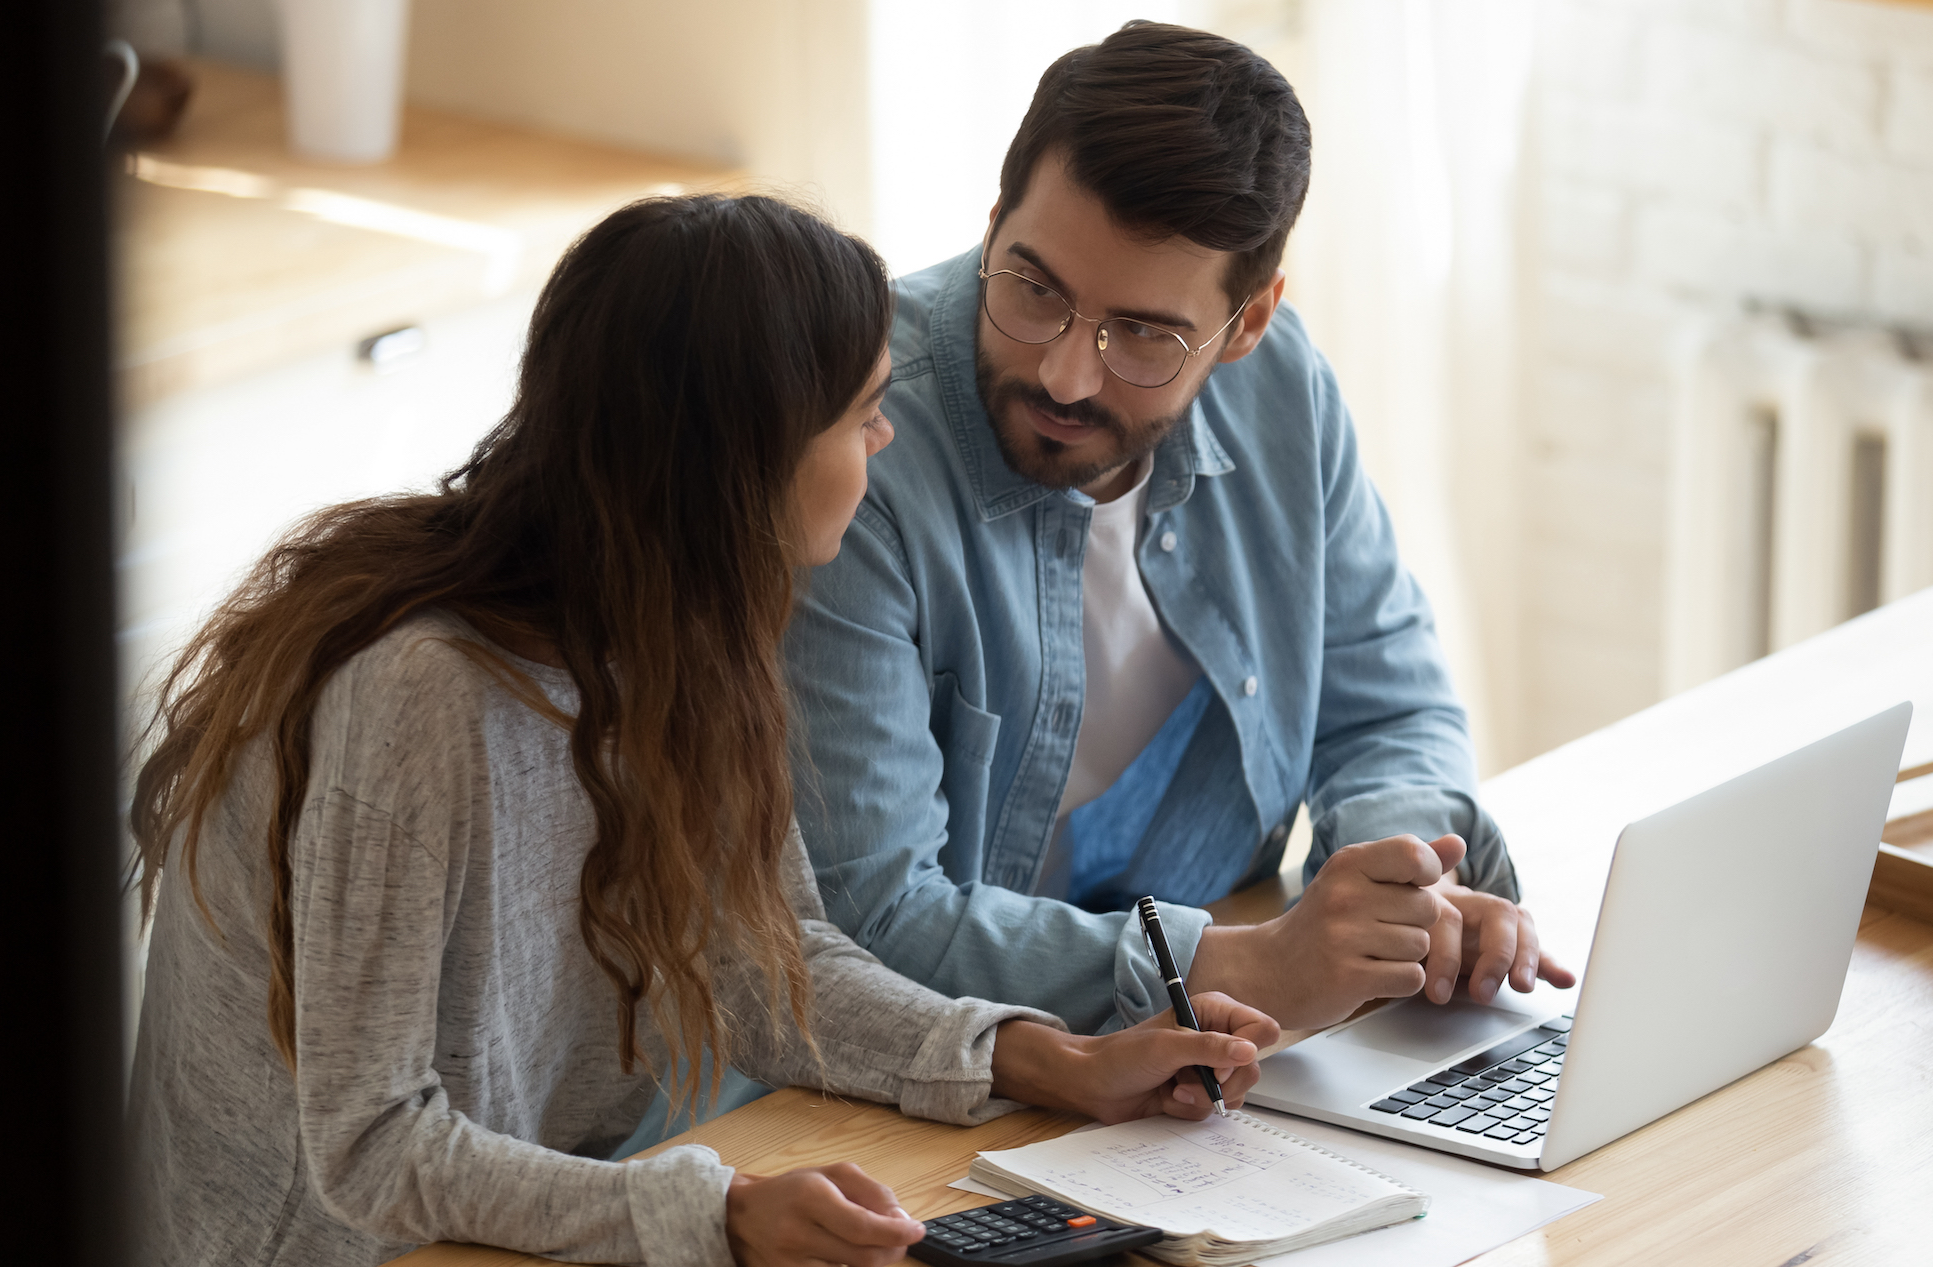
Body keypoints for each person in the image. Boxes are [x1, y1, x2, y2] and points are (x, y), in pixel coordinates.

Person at [125, 194, 1276, 1267]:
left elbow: (764, 967)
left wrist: (1053, 1060)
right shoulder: (420, 693)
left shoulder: (687, 630)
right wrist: (713, 1211)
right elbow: (371, 1146)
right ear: (741, 464)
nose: (883, 445)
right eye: (863, 413)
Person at [784, 22, 1577, 1041]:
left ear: (1246, 325)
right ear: (992, 227)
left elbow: (1384, 704)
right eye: (1034, 288)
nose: (1066, 373)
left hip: (1216, 1049)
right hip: (957, 1067)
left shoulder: (1281, 387)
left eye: (1143, 335)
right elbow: (870, 920)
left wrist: (1392, 889)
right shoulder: (855, 448)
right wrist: (1249, 964)